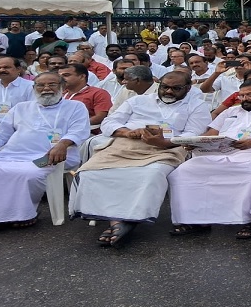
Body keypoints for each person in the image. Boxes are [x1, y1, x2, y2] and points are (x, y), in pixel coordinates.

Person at [69, 71, 213, 246]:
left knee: (151, 175)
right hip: (126, 144)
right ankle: (119, 221)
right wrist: (127, 132)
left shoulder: (197, 105)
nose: (169, 91)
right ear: (159, 85)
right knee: (90, 173)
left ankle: (122, 221)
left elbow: (193, 133)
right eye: (165, 87)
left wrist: (164, 142)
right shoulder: (138, 101)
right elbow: (109, 122)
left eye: (176, 88)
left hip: (168, 149)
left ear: (188, 88)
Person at [0, 72, 90, 236]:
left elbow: (79, 131)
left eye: (52, 85)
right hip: (11, 155)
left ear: (62, 87)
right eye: (41, 85)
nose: (46, 89)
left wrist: (63, 144)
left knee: (29, 173)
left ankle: (16, 216)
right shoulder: (21, 107)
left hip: (51, 156)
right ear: (34, 88)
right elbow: (1, 134)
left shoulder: (76, 107)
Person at [167, 81, 251, 238]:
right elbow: (211, 133)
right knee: (183, 171)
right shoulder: (231, 111)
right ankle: (196, 220)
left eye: (250, 95)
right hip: (222, 153)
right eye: (242, 95)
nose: (244, 99)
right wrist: (194, 142)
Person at [59, 64, 112, 129]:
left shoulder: (98, 93)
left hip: (87, 131)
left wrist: (73, 125)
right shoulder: (60, 93)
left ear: (82, 77)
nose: (61, 79)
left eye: (66, 75)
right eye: (59, 76)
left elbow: (100, 117)